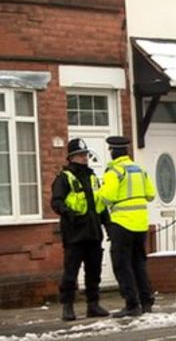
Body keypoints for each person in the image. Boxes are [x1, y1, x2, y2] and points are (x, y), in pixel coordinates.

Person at [51, 138, 110, 321]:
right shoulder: (64, 178)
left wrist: (108, 226)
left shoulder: (93, 177)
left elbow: (100, 205)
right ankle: (67, 306)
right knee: (70, 273)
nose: (85, 158)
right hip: (75, 234)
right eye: (81, 155)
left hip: (93, 232)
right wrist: (69, 214)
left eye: (86, 154)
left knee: (94, 272)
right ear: (72, 157)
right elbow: (56, 202)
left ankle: (93, 304)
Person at [98, 136, 156, 318]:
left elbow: (107, 197)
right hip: (141, 224)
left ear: (113, 152)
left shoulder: (113, 171)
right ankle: (146, 301)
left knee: (122, 264)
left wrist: (97, 198)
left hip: (122, 223)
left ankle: (131, 303)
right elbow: (151, 194)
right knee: (138, 262)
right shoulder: (139, 169)